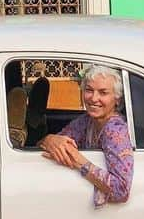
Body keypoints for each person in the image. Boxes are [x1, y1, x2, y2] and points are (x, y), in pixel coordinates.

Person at [38, 64, 133, 206]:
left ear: (117, 99)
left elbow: (121, 191)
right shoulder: (86, 121)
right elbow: (55, 144)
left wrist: (78, 161)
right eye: (89, 90)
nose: (94, 98)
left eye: (103, 92)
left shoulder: (115, 130)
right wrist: (49, 139)